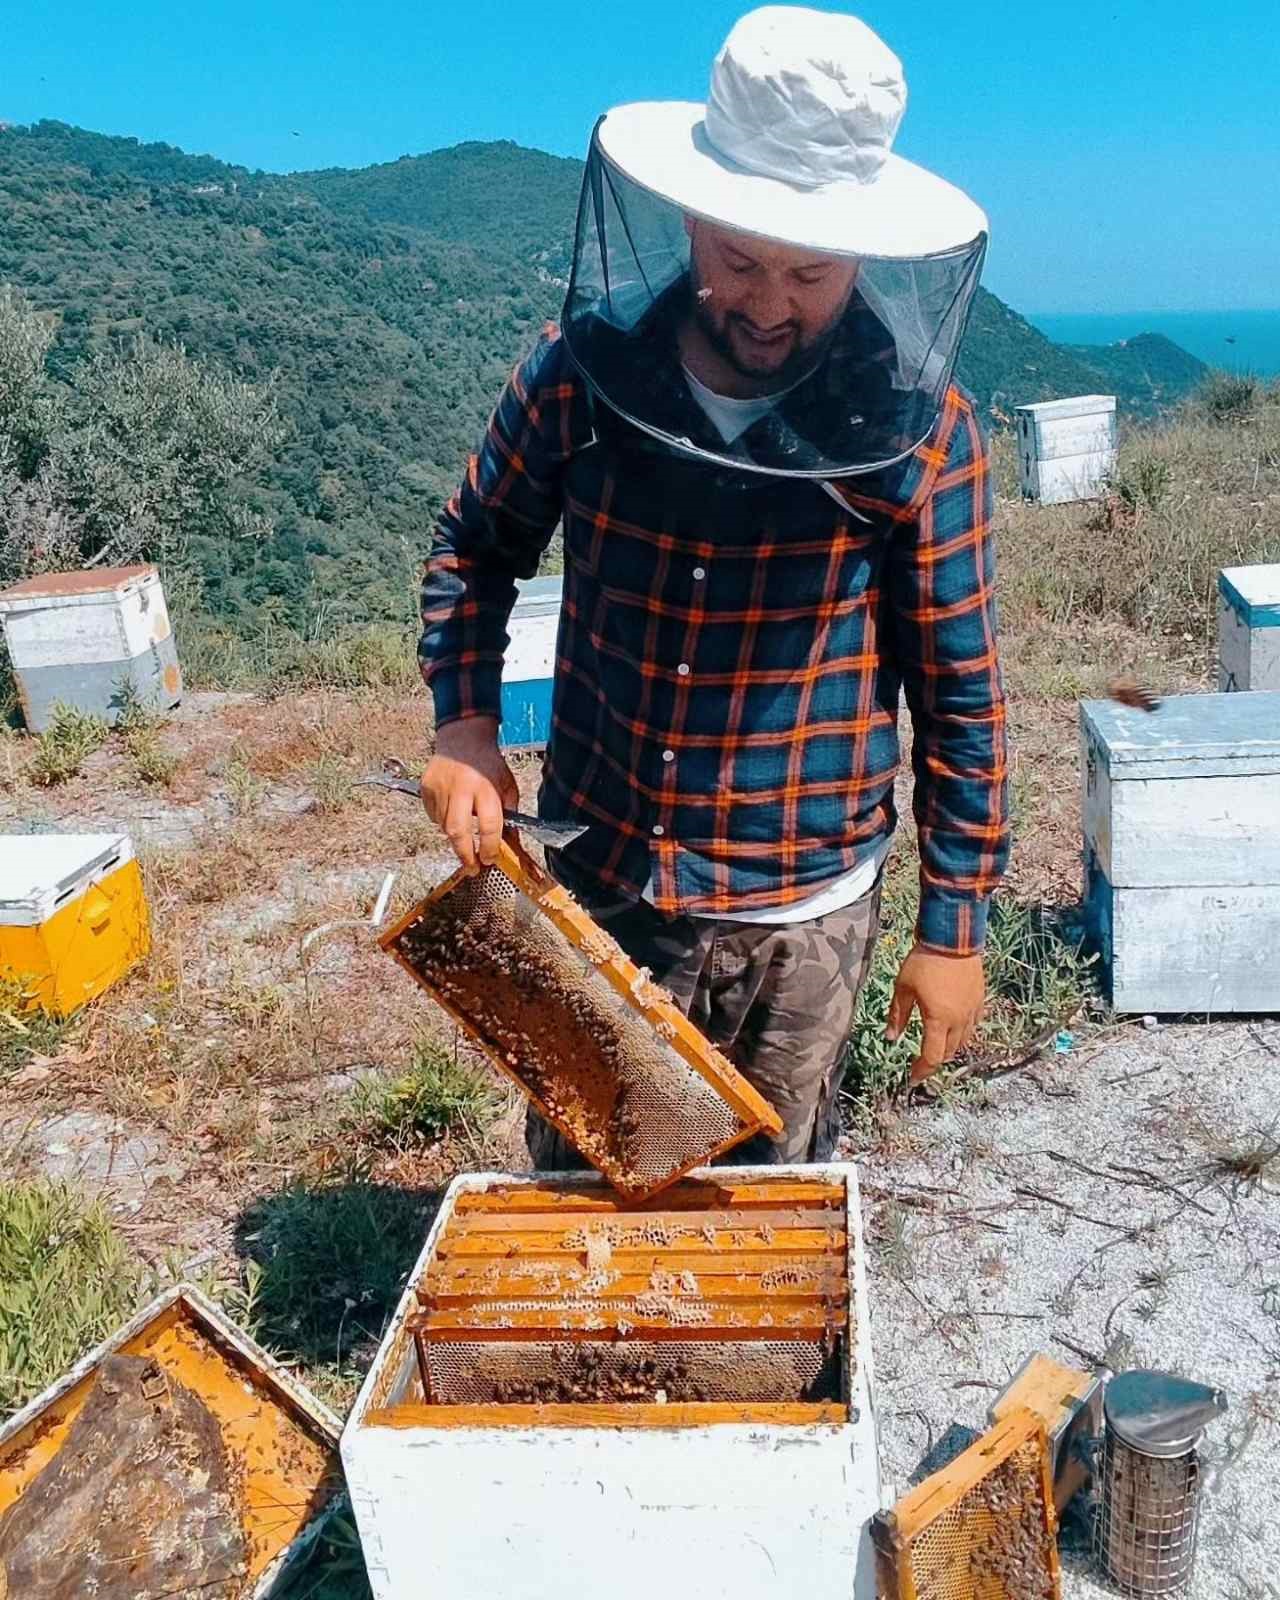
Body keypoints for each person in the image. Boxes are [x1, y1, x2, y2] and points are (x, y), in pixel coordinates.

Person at [419, 6, 1009, 1166]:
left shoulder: (923, 434)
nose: (768, 301)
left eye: (810, 270)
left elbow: (959, 698)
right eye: (739, 258)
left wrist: (953, 928)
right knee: (587, 1172)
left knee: (767, 1189)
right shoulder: (577, 374)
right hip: (603, 870)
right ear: (690, 218)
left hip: (803, 905)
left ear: (863, 257)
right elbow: (475, 545)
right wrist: (465, 722)